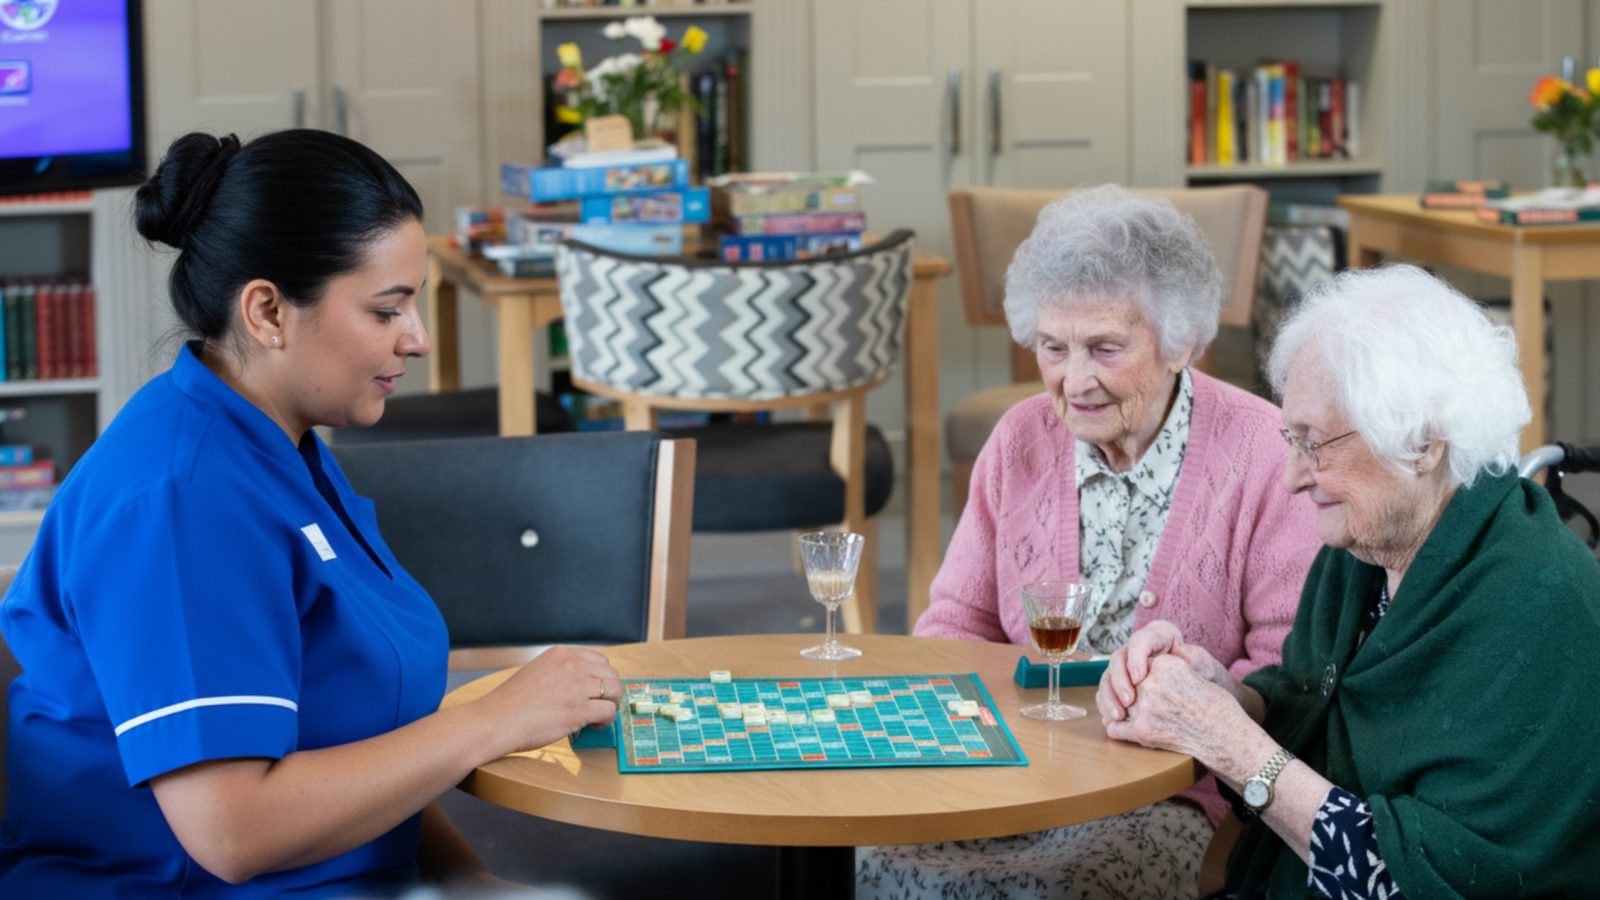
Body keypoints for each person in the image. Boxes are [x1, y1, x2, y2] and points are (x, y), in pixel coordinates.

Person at [0, 130, 623, 897]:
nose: (418, 338)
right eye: (386, 310)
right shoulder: (181, 500)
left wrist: (470, 878)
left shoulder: (276, 439)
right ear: (267, 311)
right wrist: (493, 720)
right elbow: (234, 830)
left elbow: (352, 741)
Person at [858, 186, 1322, 899]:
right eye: (1053, 347)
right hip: (1006, 776)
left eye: (1105, 347)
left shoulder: (1262, 454)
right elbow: (954, 628)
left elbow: (1285, 678)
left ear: (1181, 343)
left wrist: (1202, 699)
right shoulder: (1019, 442)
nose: (1074, 381)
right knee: (858, 864)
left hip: (1174, 800)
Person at [1097, 264, 1600, 898]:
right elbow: (1314, 705)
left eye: (1316, 444)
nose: (1291, 478)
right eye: (1291, 438)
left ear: (1421, 443)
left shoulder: (1539, 610)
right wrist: (1223, 694)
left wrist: (1230, 743)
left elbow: (1400, 880)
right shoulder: (1365, 545)